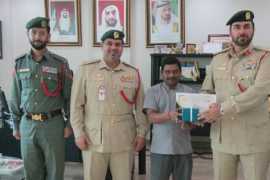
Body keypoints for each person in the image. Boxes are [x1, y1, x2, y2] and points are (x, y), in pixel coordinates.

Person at [199, 10, 270, 180]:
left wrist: (221, 109)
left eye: (247, 26)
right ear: (230, 32)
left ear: (253, 30)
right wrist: (196, 112)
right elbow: (207, 91)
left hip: (254, 138)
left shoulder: (265, 58)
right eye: (237, 27)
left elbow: (259, 92)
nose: (242, 31)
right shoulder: (217, 59)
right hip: (223, 137)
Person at [70, 30, 148, 180]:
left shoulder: (133, 73)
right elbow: (76, 105)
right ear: (101, 46)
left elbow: (140, 108)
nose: (114, 47)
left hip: (124, 139)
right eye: (109, 43)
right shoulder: (86, 70)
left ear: (122, 47)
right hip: (93, 138)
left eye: (118, 44)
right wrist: (78, 133)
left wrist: (141, 134)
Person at [9, 17, 73, 180]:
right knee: (31, 171)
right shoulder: (19, 63)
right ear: (28, 34)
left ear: (48, 36)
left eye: (42, 33)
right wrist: (16, 125)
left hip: (53, 125)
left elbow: (69, 97)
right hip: (27, 124)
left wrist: (68, 124)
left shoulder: (60, 63)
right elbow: (15, 97)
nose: (38, 36)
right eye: (34, 32)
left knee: (55, 171)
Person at [143, 57, 194, 180]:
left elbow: (192, 123)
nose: (171, 75)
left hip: (183, 150)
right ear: (162, 73)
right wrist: (169, 115)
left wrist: (190, 123)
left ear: (180, 72)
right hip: (160, 150)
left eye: (175, 71)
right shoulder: (152, 92)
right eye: (167, 72)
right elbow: (151, 117)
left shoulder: (190, 92)